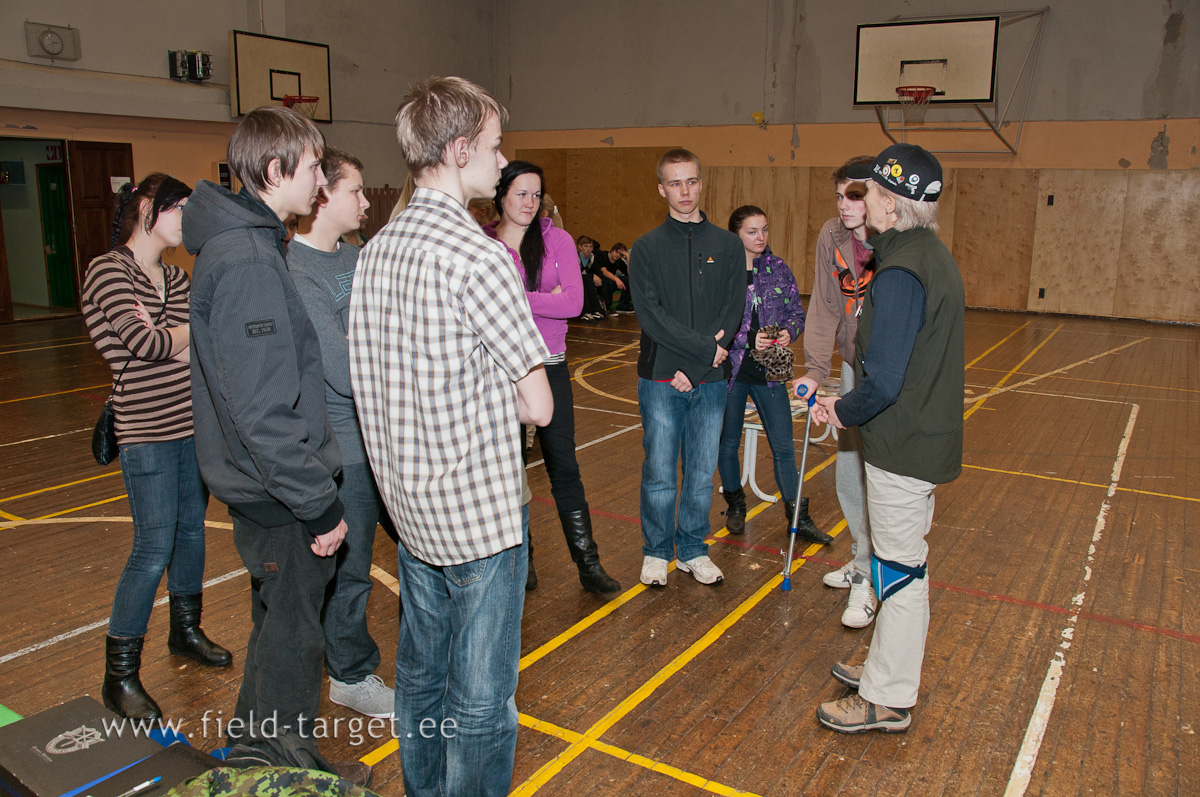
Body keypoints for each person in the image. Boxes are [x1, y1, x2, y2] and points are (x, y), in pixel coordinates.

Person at [349, 76, 553, 797]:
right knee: (482, 699)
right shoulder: (481, 257)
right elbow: (539, 404)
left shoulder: (374, 249)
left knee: (420, 677)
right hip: (478, 515)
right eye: (496, 149)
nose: (503, 165)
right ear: (460, 149)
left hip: (409, 511)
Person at [183, 107, 369, 785]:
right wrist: (320, 504)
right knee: (294, 642)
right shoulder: (248, 261)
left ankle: (264, 754)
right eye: (314, 166)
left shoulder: (251, 247)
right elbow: (263, 413)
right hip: (279, 495)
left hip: (271, 488)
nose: (321, 179)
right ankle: (283, 772)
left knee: (279, 631)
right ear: (275, 170)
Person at [808, 143, 964, 734]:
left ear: (892, 205)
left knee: (898, 571)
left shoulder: (900, 272)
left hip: (903, 442)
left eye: (867, 190)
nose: (860, 198)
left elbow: (886, 380)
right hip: (914, 437)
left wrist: (837, 409)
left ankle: (887, 696)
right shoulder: (924, 255)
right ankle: (884, 664)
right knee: (902, 563)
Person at [82, 174, 231, 721]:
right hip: (145, 431)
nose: (186, 223)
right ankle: (119, 675)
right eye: (179, 211)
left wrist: (179, 333)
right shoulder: (108, 271)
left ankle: (185, 631)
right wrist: (183, 330)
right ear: (148, 208)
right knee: (152, 547)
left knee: (192, 531)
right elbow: (146, 345)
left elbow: (199, 340)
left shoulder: (174, 275)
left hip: (192, 426)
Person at [287, 146, 394, 719]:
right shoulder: (296, 273)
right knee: (350, 570)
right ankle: (350, 675)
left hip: (385, 438)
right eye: (354, 190)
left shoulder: (357, 257)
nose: (364, 200)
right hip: (344, 448)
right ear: (322, 196)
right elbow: (347, 370)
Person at [485, 161, 621, 595]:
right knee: (506, 471)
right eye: (521, 193)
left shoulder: (557, 239)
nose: (529, 202)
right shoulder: (482, 241)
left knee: (564, 467)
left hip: (550, 365)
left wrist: (513, 298)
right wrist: (548, 297)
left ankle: (587, 563)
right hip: (497, 369)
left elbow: (575, 304)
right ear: (501, 194)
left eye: (536, 194)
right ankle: (520, 561)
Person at [631, 148, 745, 587]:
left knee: (700, 473)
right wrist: (700, 353)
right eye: (675, 183)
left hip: (711, 380)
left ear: (701, 183)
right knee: (659, 473)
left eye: (691, 181)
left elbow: (731, 311)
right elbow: (652, 316)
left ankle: (693, 548)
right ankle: (657, 551)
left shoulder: (728, 245)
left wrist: (699, 366)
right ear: (662, 189)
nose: (685, 190)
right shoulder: (645, 248)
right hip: (662, 378)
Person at [795, 155, 880, 629]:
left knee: (882, 475)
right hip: (851, 367)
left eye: (854, 195)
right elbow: (826, 307)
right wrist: (814, 370)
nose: (843, 205)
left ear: (879, 197)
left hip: (885, 372)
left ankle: (873, 578)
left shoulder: (896, 243)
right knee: (849, 469)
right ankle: (861, 557)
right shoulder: (832, 235)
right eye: (839, 194)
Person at [716, 206, 831, 545]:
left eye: (764, 229)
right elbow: (714, 322)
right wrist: (747, 339)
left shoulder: (778, 268)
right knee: (728, 443)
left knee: (784, 447)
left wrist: (787, 333)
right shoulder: (724, 270)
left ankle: (799, 517)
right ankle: (736, 504)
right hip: (732, 372)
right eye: (752, 231)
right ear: (736, 235)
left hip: (770, 373)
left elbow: (797, 312)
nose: (761, 237)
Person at [594, 242, 635, 314]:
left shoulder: (619, 261)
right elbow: (604, 272)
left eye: (620, 254)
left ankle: (623, 305)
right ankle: (607, 307)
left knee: (630, 280)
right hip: (600, 282)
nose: (618, 255)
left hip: (612, 282)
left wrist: (628, 257)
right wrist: (617, 279)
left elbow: (629, 274)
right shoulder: (602, 255)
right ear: (612, 250)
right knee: (608, 281)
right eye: (616, 252)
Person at [576, 235, 607, 320]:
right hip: (574, 281)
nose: (588, 249)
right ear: (580, 247)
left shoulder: (592, 258)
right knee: (587, 280)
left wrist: (598, 278)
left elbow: (598, 271)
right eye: (586, 246)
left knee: (601, 280)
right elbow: (575, 275)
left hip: (586, 280)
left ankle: (596, 310)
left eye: (590, 247)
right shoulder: (575, 258)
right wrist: (592, 276)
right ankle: (585, 311)